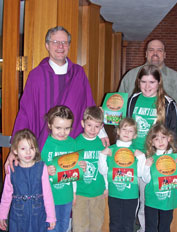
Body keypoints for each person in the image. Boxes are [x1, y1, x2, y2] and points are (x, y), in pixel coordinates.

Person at [5, 26, 109, 172]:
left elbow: (89, 104)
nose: (60, 46)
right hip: (44, 145)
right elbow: (25, 112)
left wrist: (102, 133)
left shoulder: (78, 73)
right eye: (55, 42)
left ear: (69, 46)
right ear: (47, 45)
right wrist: (14, 148)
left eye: (64, 42)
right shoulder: (36, 76)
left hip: (72, 145)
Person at [126, 64, 177, 232]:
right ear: (138, 81)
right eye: (143, 82)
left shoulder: (168, 103)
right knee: (129, 200)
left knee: (146, 202)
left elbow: (174, 136)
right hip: (130, 157)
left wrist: (171, 162)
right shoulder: (133, 99)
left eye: (152, 82)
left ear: (159, 82)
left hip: (151, 162)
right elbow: (125, 126)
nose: (147, 86)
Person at [119, 39, 177, 148]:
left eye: (159, 50)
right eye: (151, 50)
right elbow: (120, 106)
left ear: (165, 54)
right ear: (146, 53)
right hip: (133, 143)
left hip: (162, 144)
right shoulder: (130, 76)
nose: (155, 53)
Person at [0, 129, 56, 232]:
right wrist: (2, 215)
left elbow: (48, 194)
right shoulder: (11, 170)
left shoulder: (41, 168)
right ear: (15, 151)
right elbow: (6, 195)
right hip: (18, 216)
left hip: (38, 215)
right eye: (23, 148)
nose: (28, 152)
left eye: (32, 147)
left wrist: (51, 216)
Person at [98, 118, 146, 232]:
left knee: (128, 225)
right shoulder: (111, 150)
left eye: (130, 131)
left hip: (131, 195)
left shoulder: (136, 152)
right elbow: (103, 171)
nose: (127, 133)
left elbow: (140, 174)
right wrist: (102, 156)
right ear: (118, 131)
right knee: (115, 224)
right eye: (124, 129)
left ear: (135, 135)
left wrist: (141, 157)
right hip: (114, 194)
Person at [142, 123, 177, 232]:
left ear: (169, 138)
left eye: (163, 137)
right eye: (156, 139)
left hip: (168, 200)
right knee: (150, 226)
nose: (160, 141)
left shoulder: (175, 157)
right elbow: (146, 179)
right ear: (152, 142)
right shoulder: (150, 159)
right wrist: (146, 166)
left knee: (165, 227)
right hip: (152, 199)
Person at [41, 105, 78, 232]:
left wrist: (81, 167)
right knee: (50, 227)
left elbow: (75, 170)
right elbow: (34, 168)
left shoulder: (73, 143)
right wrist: (45, 170)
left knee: (64, 225)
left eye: (67, 128)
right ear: (50, 125)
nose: (62, 132)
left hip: (67, 196)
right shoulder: (44, 143)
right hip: (48, 197)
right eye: (58, 128)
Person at [72, 106, 107, 232]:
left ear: (101, 127)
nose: (93, 130)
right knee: (80, 226)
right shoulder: (75, 143)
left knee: (96, 225)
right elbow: (71, 170)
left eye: (97, 126)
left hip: (98, 192)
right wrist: (73, 191)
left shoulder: (101, 144)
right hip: (80, 192)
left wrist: (106, 186)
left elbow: (105, 167)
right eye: (89, 125)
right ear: (82, 123)